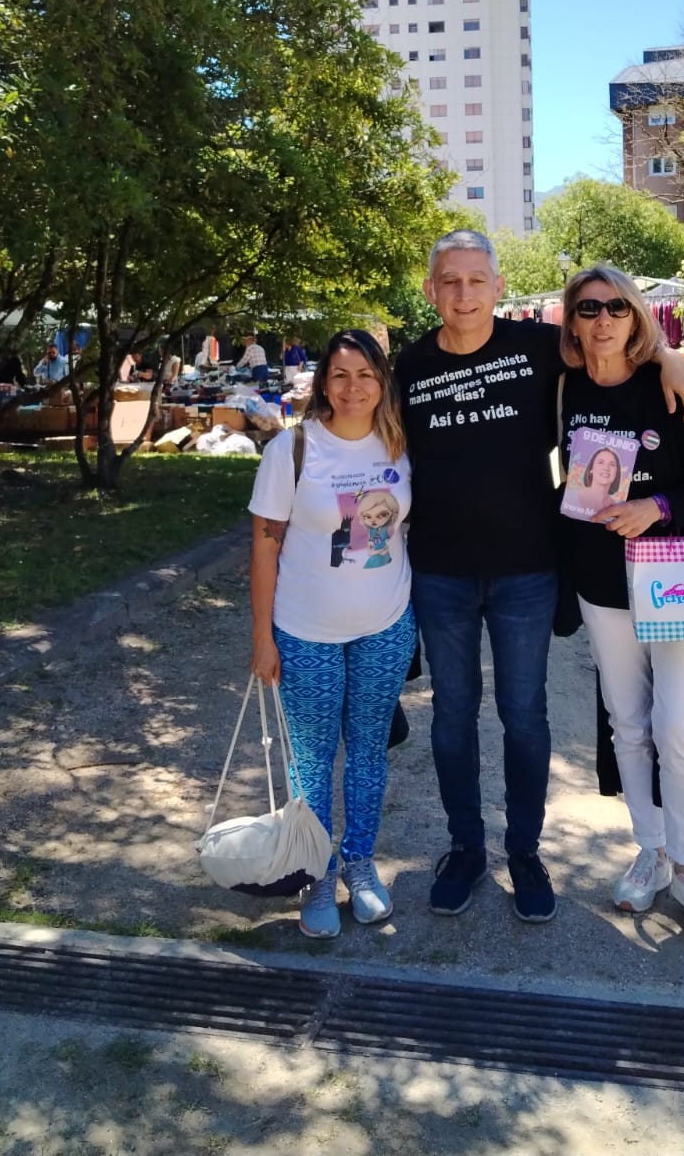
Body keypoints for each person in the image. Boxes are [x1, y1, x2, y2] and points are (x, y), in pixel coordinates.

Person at [393, 229, 684, 924]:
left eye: (477, 280)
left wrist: (673, 358)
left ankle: (525, 852)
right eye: (450, 281)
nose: (464, 294)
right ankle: (465, 849)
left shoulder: (538, 348)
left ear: (498, 287)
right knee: (452, 715)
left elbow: (613, 343)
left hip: (527, 570)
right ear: (431, 290)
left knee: (524, 716)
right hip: (439, 572)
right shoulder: (409, 366)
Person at [558, 263, 684, 942]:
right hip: (600, 580)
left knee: (679, 726)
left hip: (674, 580)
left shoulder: (668, 385)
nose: (603, 320)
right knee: (628, 723)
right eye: (588, 309)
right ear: (571, 320)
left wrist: (656, 507)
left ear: (636, 315)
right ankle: (653, 848)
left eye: (617, 307)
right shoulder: (564, 387)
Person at [248, 330, 415, 939]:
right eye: (340, 375)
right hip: (305, 632)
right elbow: (264, 547)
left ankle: (359, 864)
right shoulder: (292, 450)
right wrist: (262, 639)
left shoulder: (400, 445)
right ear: (323, 382)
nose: (353, 387)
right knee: (313, 761)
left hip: (385, 626)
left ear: (382, 382)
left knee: (369, 752)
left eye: (366, 375)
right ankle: (314, 875)